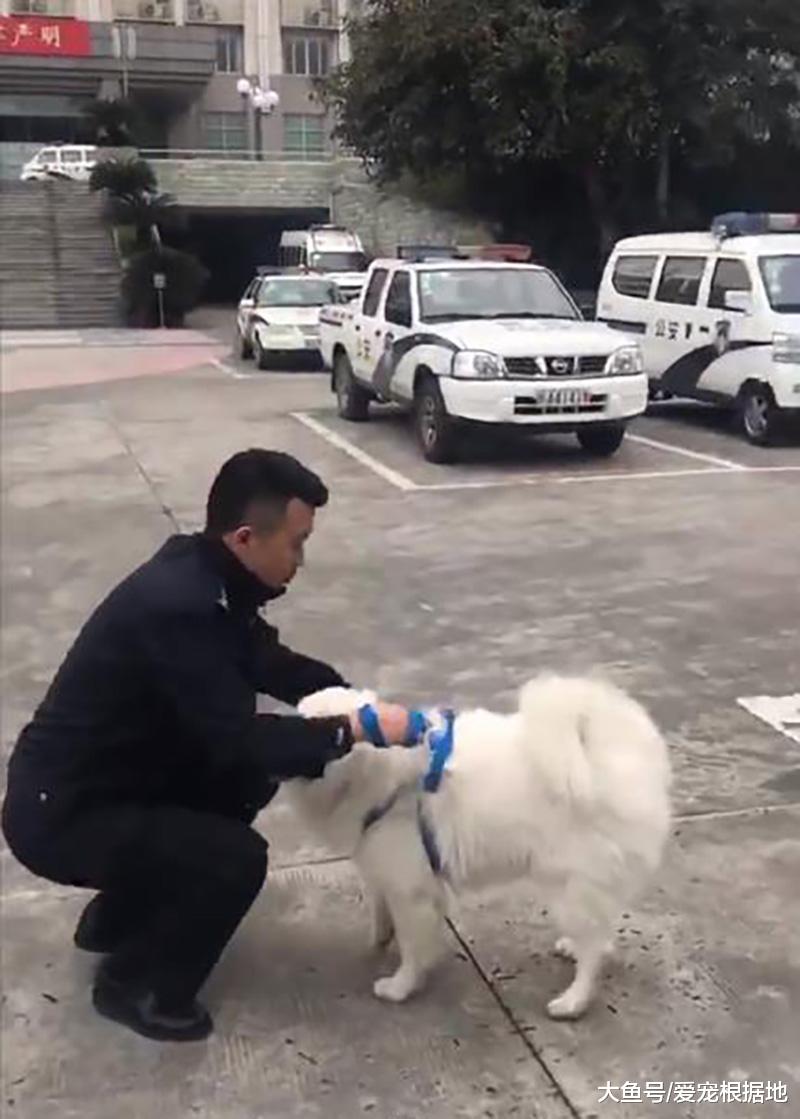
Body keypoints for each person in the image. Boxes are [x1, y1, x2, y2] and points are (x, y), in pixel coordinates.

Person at [2, 449, 416, 1043]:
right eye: (295, 544)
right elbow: (241, 740)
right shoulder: (180, 607)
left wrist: (353, 698)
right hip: (61, 815)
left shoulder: (212, 579)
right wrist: (353, 731)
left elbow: (270, 663)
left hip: (104, 784)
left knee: (239, 786)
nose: (301, 559)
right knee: (235, 857)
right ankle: (138, 985)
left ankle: (116, 917)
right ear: (247, 537)